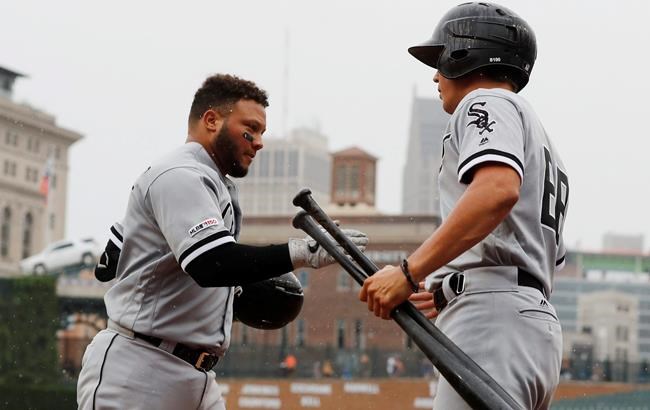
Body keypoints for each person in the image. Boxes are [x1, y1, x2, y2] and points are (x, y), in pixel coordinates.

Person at [77, 74, 368, 410]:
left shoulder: (210, 183)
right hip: (140, 369)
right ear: (212, 120)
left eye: (262, 132)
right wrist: (301, 252)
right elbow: (211, 263)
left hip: (193, 373)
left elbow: (133, 256)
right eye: (251, 128)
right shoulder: (180, 174)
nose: (259, 142)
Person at [359, 3, 567, 409]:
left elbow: (496, 191)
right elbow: (542, 257)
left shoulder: (486, 101)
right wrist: (445, 291)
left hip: (494, 325)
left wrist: (408, 271)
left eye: (440, 59)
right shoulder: (543, 140)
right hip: (532, 327)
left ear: (466, 53)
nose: (435, 75)